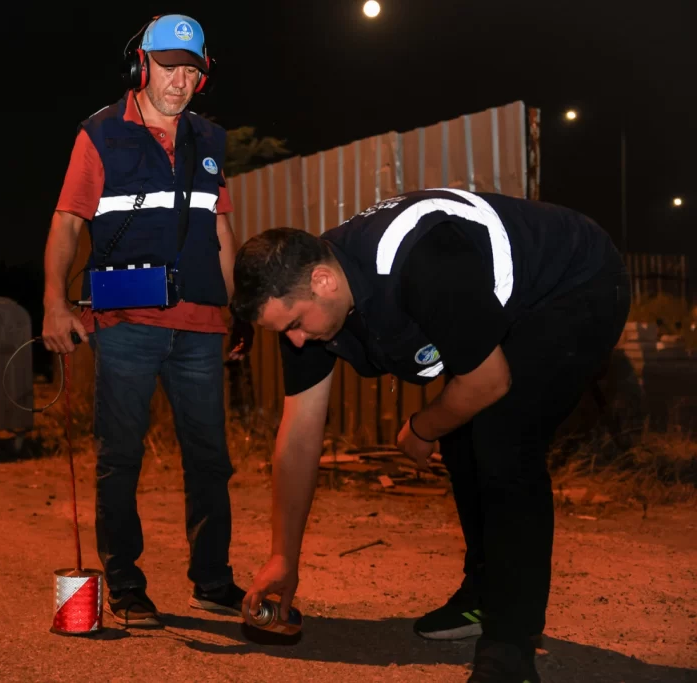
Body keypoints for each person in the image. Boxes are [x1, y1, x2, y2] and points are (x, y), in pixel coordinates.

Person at [231, 188, 630, 682]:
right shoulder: (310, 307)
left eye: (293, 324)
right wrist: (282, 557)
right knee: (465, 430)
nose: (294, 340)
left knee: (504, 438)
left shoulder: (420, 260)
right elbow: (297, 439)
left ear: (322, 280)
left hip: (574, 283)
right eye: (282, 332)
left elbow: (489, 381)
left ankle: (511, 643)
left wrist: (421, 428)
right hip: (503, 305)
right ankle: (481, 596)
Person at [41, 13, 253, 627]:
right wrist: (55, 303)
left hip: (200, 327)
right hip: (127, 324)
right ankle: (127, 585)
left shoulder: (209, 141)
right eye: (168, 67)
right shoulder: (100, 135)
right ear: (140, 64)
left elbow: (220, 227)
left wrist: (238, 308)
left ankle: (213, 579)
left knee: (210, 457)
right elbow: (67, 223)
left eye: (191, 71)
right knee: (121, 455)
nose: (179, 82)